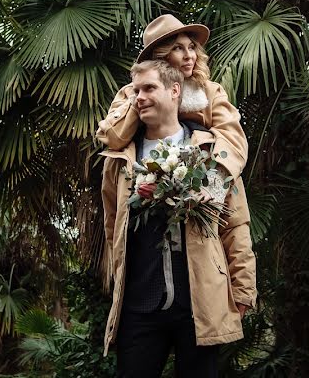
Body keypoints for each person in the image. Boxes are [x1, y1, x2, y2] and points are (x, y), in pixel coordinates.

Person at [99, 60, 257, 377]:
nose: (139, 97)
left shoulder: (212, 152)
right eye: (135, 91)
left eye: (149, 88)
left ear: (174, 91)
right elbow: (112, 225)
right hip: (139, 304)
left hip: (199, 302)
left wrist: (243, 290)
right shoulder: (120, 160)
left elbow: (235, 224)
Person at [96, 14, 248, 184]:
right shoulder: (132, 93)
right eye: (177, 48)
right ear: (160, 57)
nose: (189, 55)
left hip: (204, 185)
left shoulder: (209, 91)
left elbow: (234, 141)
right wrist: (141, 95)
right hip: (144, 179)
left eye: (191, 47)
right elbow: (114, 139)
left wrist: (213, 185)